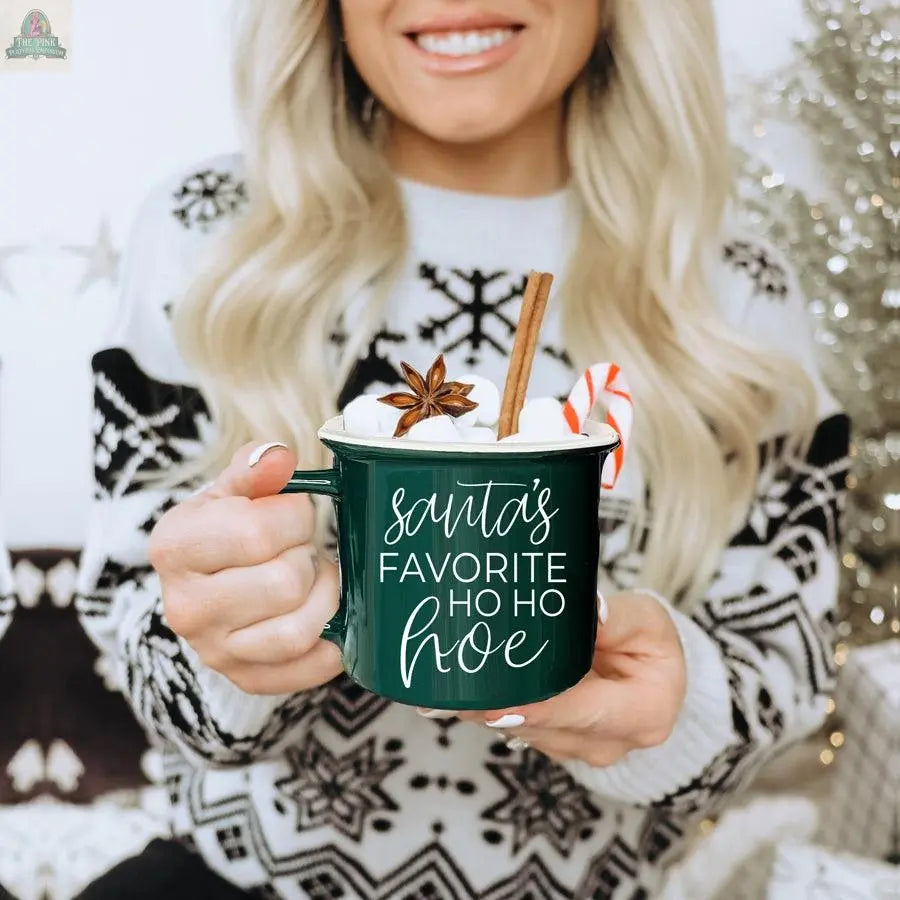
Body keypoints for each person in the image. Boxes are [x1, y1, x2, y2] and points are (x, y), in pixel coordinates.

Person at [74, 1, 850, 897]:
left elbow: (784, 669)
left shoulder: (734, 292)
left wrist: (668, 714)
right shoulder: (209, 235)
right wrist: (228, 651)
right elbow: (137, 629)